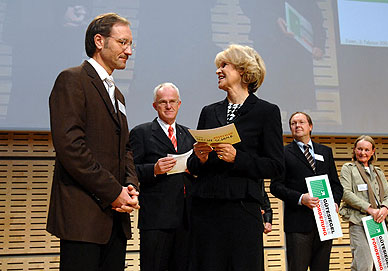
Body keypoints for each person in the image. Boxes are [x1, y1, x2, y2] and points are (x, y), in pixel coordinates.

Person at [46, 13, 139, 271]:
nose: (129, 51)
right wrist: (114, 192)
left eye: (131, 44)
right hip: (83, 219)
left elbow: (126, 148)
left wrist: (130, 185)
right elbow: (70, 147)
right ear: (99, 41)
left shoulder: (117, 93)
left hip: (115, 221)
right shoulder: (72, 79)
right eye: (123, 43)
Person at [187, 44, 284, 271]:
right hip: (206, 210)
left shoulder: (266, 112)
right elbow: (194, 164)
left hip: (242, 211)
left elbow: (275, 166)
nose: (218, 71)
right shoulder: (208, 111)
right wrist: (199, 158)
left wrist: (237, 158)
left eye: (224, 65)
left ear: (243, 70)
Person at [129, 82, 195, 271]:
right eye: (163, 102)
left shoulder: (189, 135)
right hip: (157, 219)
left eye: (172, 101)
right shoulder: (141, 133)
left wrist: (195, 169)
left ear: (179, 104)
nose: (168, 106)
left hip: (186, 217)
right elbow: (130, 170)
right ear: (155, 106)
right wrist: (154, 170)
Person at [270, 112, 343, 271]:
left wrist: (335, 202)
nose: (297, 125)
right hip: (298, 224)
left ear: (310, 126)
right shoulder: (283, 153)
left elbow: (336, 185)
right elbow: (275, 187)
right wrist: (301, 198)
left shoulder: (325, 151)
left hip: (325, 223)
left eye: (301, 122)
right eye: (293, 123)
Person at [339, 135, 388, 271]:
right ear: (354, 150)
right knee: (364, 265)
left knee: (384, 266)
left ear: (373, 151)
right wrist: (370, 209)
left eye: (366, 150)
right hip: (360, 222)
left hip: (380, 222)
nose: (363, 153)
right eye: (359, 149)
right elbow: (346, 193)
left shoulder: (378, 172)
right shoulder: (348, 168)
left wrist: (385, 209)